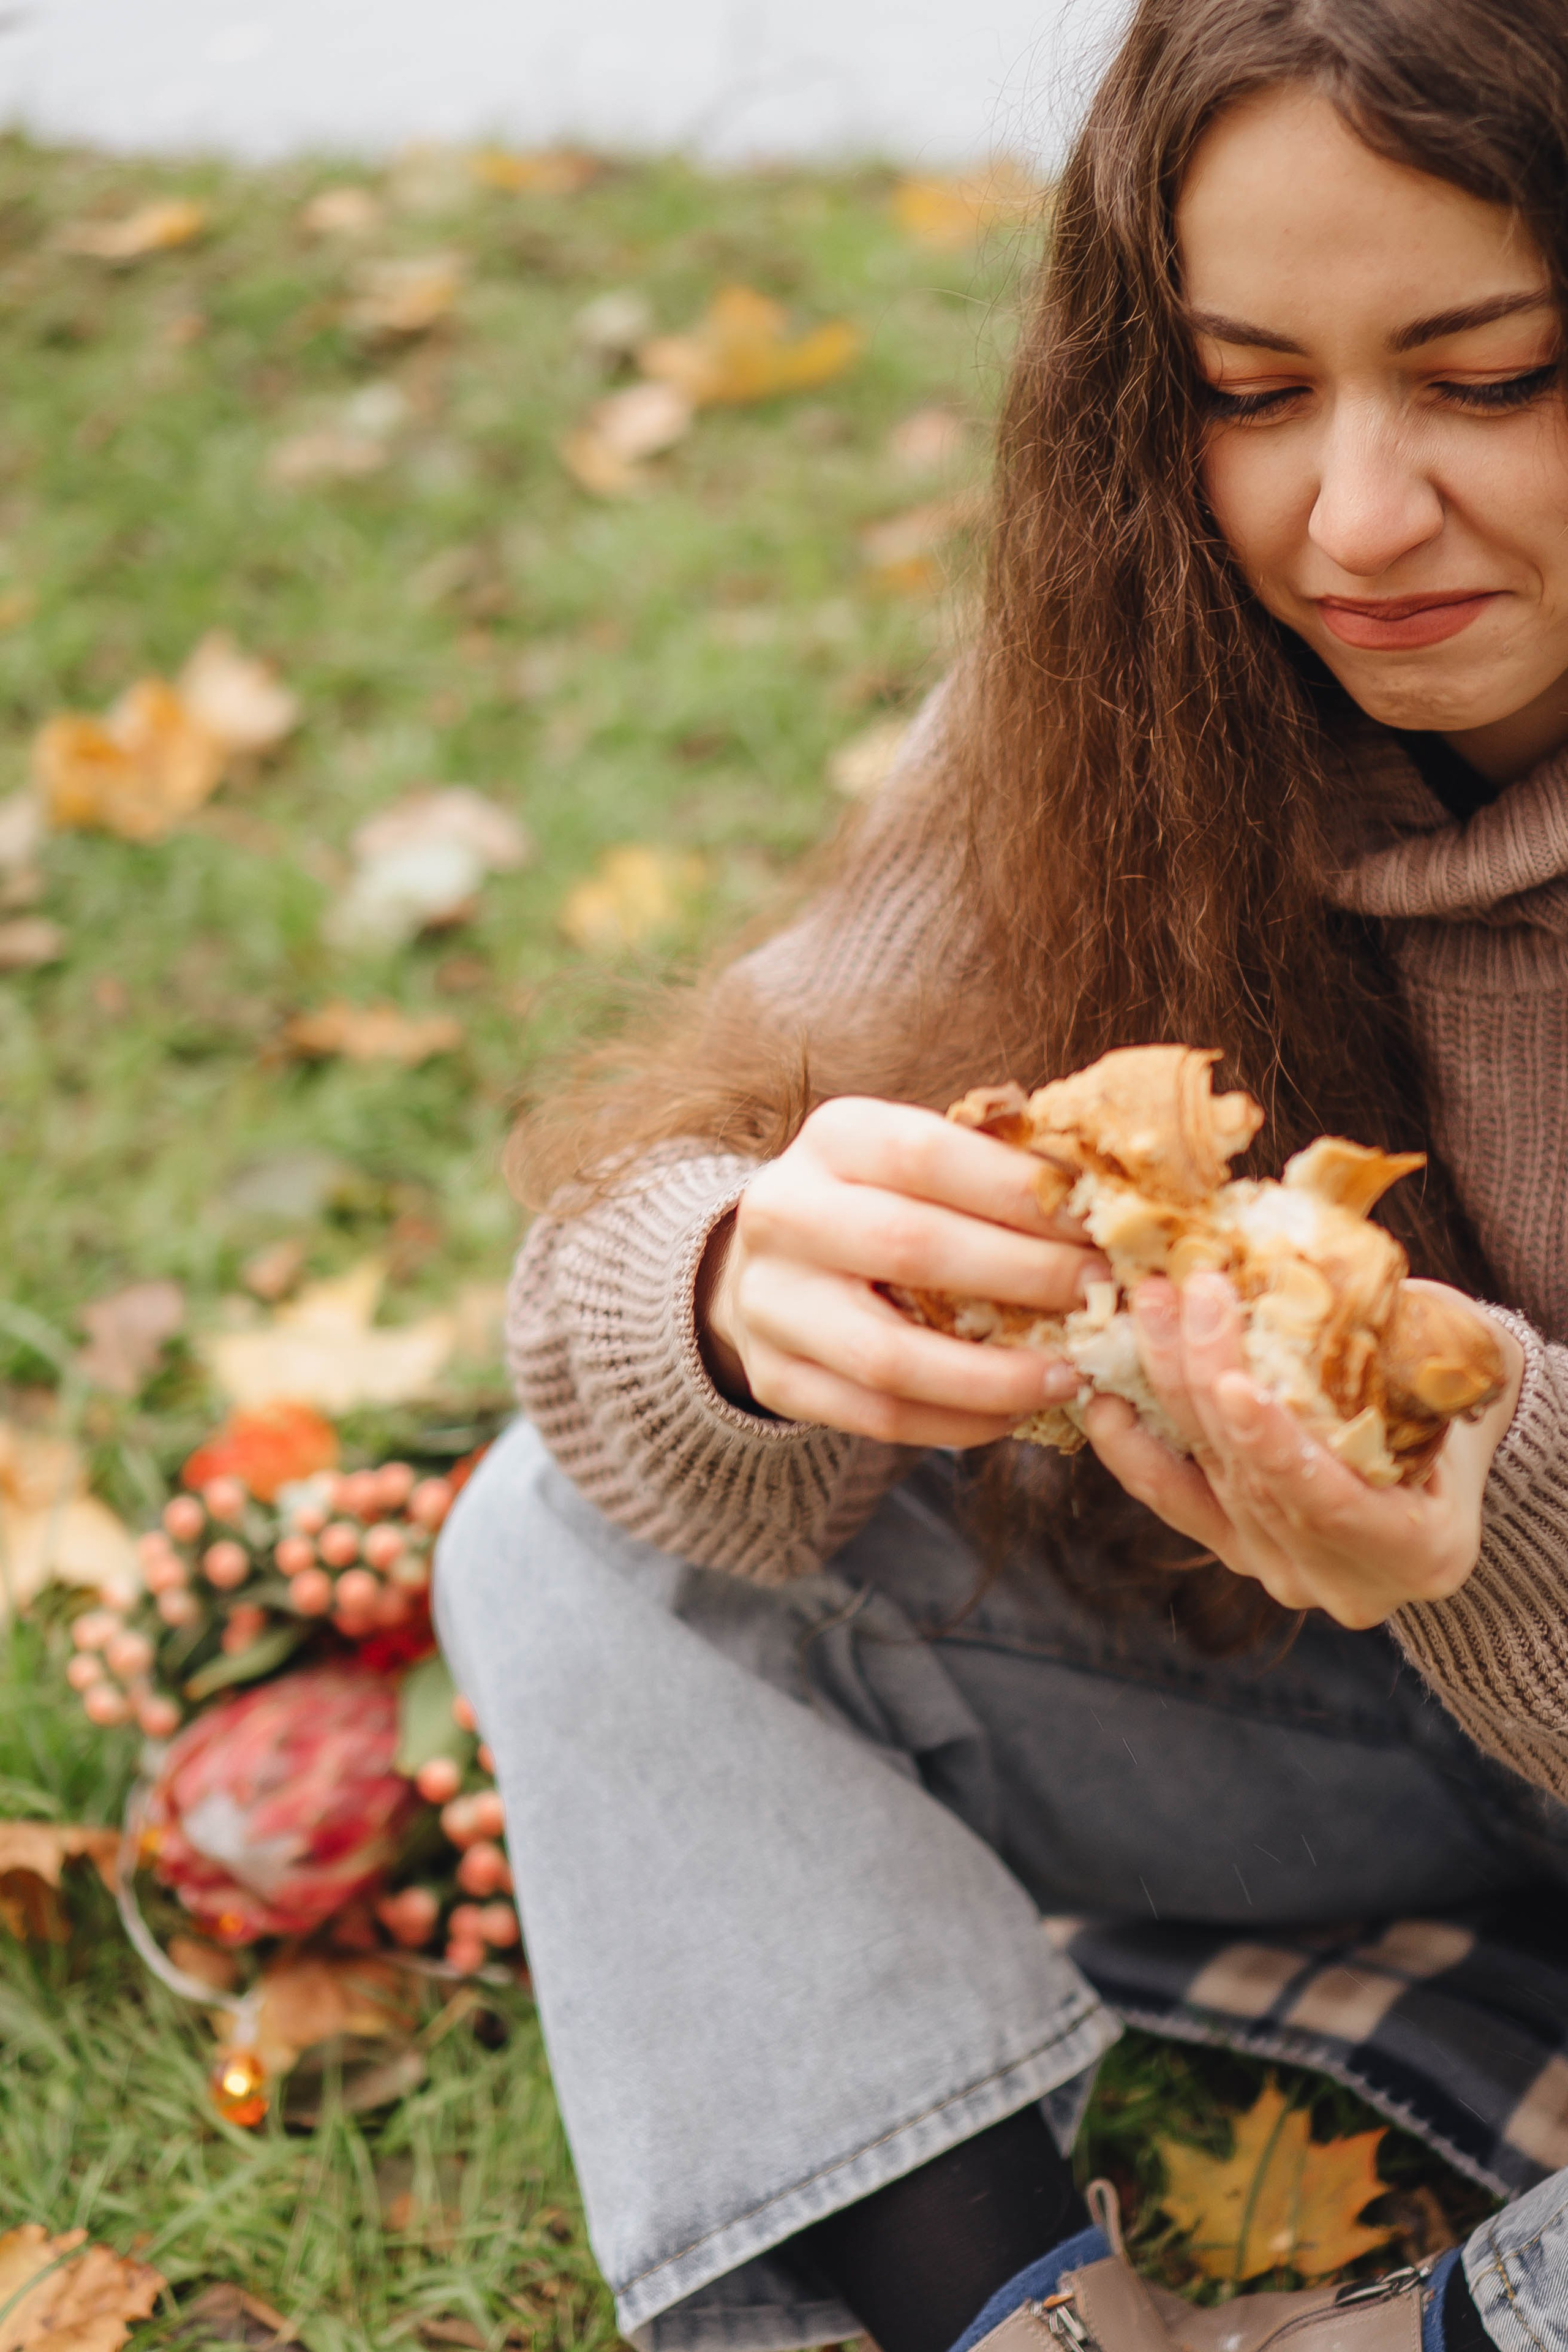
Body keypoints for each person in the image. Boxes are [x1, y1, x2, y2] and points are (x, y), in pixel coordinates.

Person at [435, 5, 1568, 2352]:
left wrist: (1482, 1491)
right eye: (1253, 389)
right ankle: (1005, 2314)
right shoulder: (1145, 694)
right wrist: (739, 1293)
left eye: (1492, 376)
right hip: (1333, 1751)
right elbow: (613, 1290)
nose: (1353, 522)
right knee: (559, 1545)